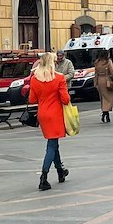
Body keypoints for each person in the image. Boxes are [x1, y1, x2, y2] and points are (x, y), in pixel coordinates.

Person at [28, 52, 71, 191]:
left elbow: (32, 99)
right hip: (55, 114)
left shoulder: (35, 79)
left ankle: (60, 171)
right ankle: (44, 176)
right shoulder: (59, 78)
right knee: (51, 146)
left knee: (54, 143)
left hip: (43, 114)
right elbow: (65, 99)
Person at [94, 49, 113, 123]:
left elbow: (96, 73)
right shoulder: (108, 62)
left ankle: (104, 112)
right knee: (109, 98)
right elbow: (112, 72)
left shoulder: (97, 62)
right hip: (107, 80)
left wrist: (95, 83)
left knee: (102, 97)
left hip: (99, 80)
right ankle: (106, 113)